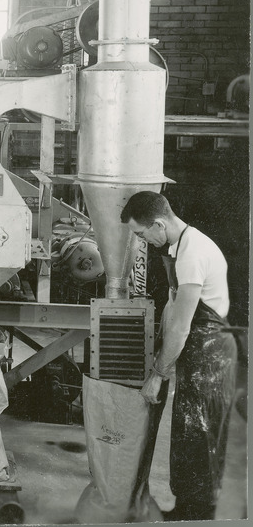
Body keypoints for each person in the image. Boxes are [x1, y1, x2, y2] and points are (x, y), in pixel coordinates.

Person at [120, 191, 237, 521]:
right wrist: (161, 349)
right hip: (198, 349)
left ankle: (199, 516)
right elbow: (173, 305)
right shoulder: (176, 246)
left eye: (141, 234)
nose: (142, 240)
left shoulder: (192, 252)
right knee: (188, 438)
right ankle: (187, 510)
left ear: (158, 224)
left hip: (210, 353)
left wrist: (158, 374)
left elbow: (183, 325)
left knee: (202, 440)